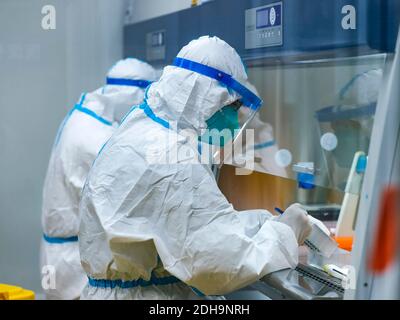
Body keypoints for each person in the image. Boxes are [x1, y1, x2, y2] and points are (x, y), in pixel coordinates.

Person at [78, 36, 313, 300]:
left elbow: (193, 224)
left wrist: (260, 223)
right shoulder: (172, 159)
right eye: (232, 107)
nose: (235, 122)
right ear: (206, 97)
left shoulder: (147, 127)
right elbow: (221, 263)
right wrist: (284, 234)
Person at [40, 58, 157, 300]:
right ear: (134, 96)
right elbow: (124, 204)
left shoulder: (87, 117)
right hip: (74, 265)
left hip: (64, 257)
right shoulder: (95, 137)